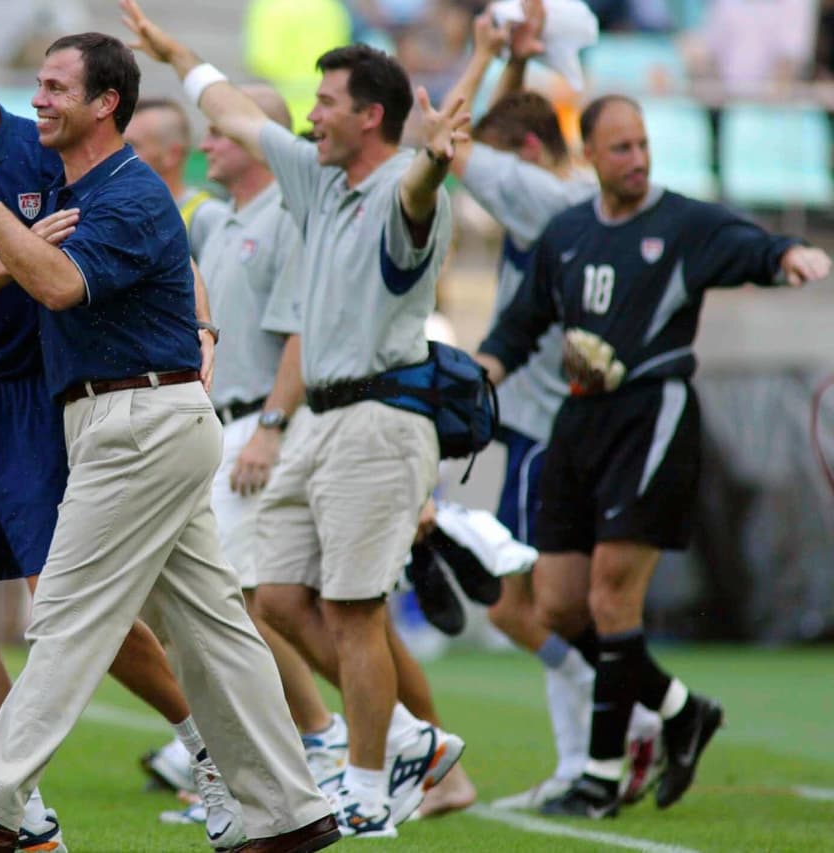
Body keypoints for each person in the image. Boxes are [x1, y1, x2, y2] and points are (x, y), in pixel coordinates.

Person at [0, 30, 339, 853]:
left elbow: (58, 285)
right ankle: (289, 811)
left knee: (63, 612)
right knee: (214, 630)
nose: (41, 99)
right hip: (132, 417)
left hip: (136, 420)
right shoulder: (91, 184)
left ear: (106, 103)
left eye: (58, 87)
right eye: (43, 85)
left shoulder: (127, 192)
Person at [122, 0, 468, 836]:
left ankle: (367, 782)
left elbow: (419, 192)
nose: (313, 116)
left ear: (371, 117)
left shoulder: (400, 187)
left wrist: (432, 160)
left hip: (379, 415)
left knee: (352, 610)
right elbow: (236, 111)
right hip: (323, 421)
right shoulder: (319, 177)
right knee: (273, 597)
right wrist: (176, 54)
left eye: (327, 104)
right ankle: (409, 743)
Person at [476, 93, 832, 818]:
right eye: (621, 148)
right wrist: (474, 378)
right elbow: (522, 325)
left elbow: (752, 245)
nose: (637, 160)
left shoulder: (682, 221)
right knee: (556, 602)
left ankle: (602, 774)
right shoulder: (568, 232)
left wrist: (790, 254)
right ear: (590, 157)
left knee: (611, 597)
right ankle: (679, 708)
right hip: (578, 421)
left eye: (642, 144)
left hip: (652, 413)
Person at [442, 3, 661, 811]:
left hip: (545, 429)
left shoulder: (540, 196)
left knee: (527, 606)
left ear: (526, 156)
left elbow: (459, 146)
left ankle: (620, 730)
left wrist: (491, 53)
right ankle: (608, 737)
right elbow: (506, 129)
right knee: (540, 604)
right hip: (543, 424)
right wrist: (518, 64)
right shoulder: (556, 191)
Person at [123, 97, 217, 232]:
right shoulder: (123, 213)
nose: (119, 154)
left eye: (132, 145)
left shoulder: (207, 218)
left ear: (173, 155)